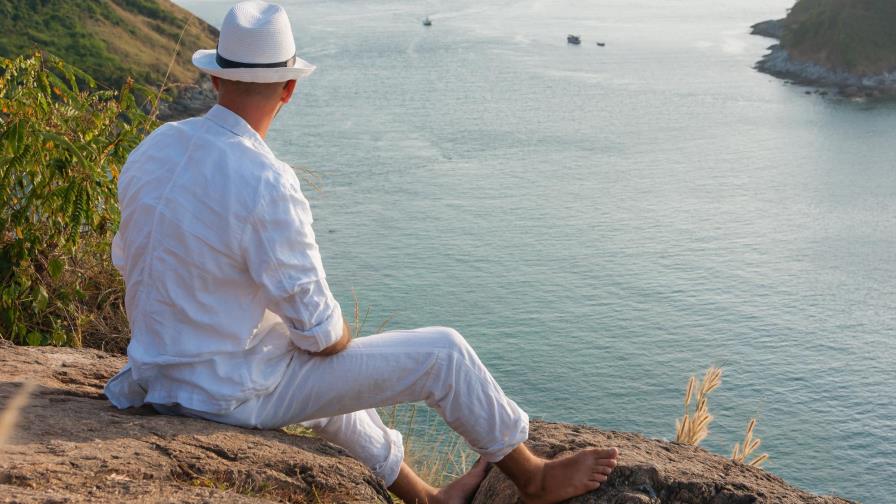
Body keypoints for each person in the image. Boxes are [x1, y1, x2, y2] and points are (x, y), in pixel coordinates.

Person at [103, 2, 618, 502]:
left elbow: (131, 262)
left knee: (314, 382)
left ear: (215, 79)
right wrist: (339, 335)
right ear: (289, 89)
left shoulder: (153, 148)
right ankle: (533, 477)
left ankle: (425, 499)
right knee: (443, 353)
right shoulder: (265, 180)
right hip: (222, 397)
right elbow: (321, 334)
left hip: (154, 379)